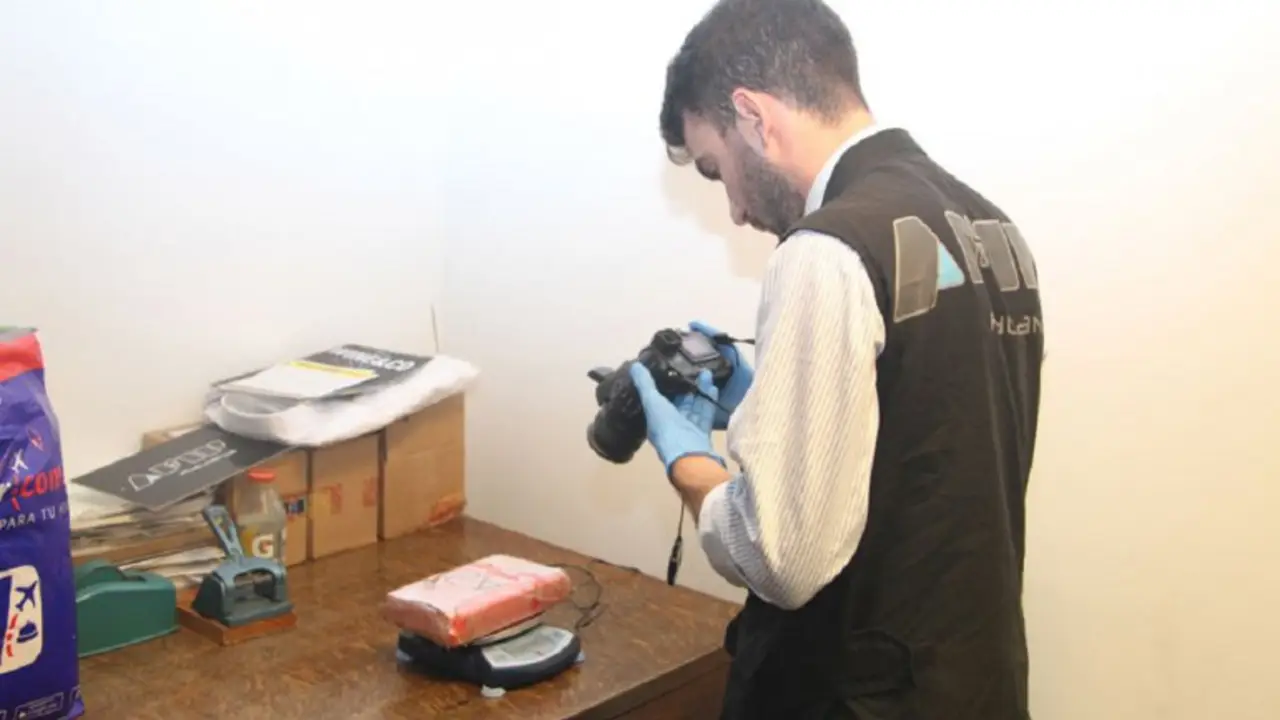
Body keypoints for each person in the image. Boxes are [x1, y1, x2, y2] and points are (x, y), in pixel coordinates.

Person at [626, 1, 1045, 718]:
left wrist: (687, 461)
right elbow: (933, 444)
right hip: (977, 684)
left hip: (854, 698)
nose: (734, 210)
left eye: (716, 169)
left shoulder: (827, 249)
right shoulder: (992, 231)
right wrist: (779, 411)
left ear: (753, 117)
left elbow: (782, 557)